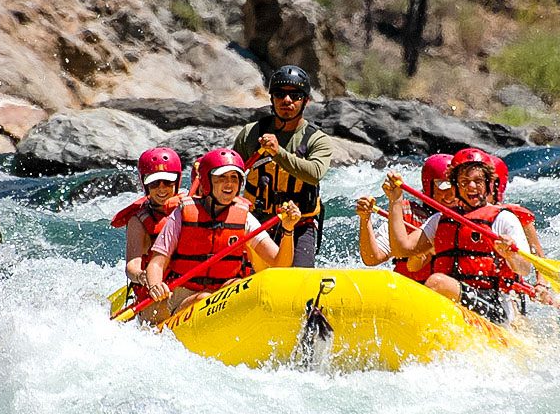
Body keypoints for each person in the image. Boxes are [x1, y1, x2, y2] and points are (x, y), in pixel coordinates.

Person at [142, 148, 301, 322]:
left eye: (234, 178)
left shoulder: (244, 218)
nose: (229, 184)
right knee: (203, 300)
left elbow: (280, 263)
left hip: (224, 293)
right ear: (207, 182)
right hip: (184, 294)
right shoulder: (182, 213)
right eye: (222, 178)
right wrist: (155, 286)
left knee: (240, 287)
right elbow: (157, 263)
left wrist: (288, 229)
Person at [385, 148, 533, 325]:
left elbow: (525, 269)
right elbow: (402, 248)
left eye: (478, 181)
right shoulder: (440, 220)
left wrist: (511, 254)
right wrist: (395, 200)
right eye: (464, 181)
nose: (471, 186)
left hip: (496, 308)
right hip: (455, 303)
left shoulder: (503, 219)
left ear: (488, 185)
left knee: (437, 283)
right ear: (455, 186)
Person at [232, 65, 333, 267]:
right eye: (280, 94)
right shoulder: (251, 134)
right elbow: (232, 175)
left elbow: (314, 174)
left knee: (298, 280)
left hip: (299, 225)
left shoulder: (317, 140)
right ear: (272, 99)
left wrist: (278, 153)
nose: (287, 101)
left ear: (305, 100)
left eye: (295, 96)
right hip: (256, 223)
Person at [356, 153, 455, 282]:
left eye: (454, 187)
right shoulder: (404, 214)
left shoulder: (466, 216)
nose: (451, 195)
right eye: (443, 188)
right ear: (428, 187)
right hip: (410, 289)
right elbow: (372, 258)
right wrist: (365, 219)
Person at [112, 147, 185, 319]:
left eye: (167, 182)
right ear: (145, 185)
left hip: (188, 285)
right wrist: (143, 276)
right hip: (157, 292)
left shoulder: (189, 207)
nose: (162, 189)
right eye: (154, 183)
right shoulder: (138, 221)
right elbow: (131, 266)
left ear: (177, 181)